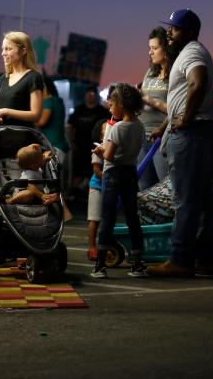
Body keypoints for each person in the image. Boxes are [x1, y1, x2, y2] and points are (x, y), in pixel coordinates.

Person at [147, 8, 213, 278]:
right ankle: (205, 256)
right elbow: (182, 95)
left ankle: (180, 259)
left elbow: (197, 83)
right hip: (197, 131)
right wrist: (166, 125)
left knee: (185, 198)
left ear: (189, 31)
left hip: (193, 133)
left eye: (174, 28)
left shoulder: (192, 52)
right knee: (199, 198)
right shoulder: (189, 52)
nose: (169, 32)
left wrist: (186, 119)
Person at [91, 83, 148, 279]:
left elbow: (109, 156)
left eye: (112, 103)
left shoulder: (117, 129)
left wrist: (100, 151)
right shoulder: (139, 126)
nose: (109, 106)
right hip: (130, 173)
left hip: (113, 174)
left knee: (108, 217)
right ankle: (138, 263)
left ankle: (100, 265)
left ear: (122, 105)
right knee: (132, 217)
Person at [138, 27, 172, 190]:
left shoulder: (175, 74)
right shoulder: (150, 72)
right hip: (141, 136)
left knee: (164, 187)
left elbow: (176, 109)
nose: (150, 52)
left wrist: (150, 100)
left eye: (155, 48)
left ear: (166, 48)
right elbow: (142, 98)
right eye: (149, 48)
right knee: (144, 186)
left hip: (161, 138)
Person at [0, 31, 43, 128]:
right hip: (0, 136)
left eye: (8, 49)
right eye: (3, 49)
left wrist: (5, 111)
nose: (3, 53)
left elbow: (36, 115)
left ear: (23, 51)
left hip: (22, 139)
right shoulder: (4, 78)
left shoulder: (33, 77)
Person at [66, 87, 111, 194]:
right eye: (88, 93)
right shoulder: (79, 109)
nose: (91, 95)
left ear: (96, 95)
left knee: (93, 171)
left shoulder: (102, 111)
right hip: (79, 147)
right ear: (85, 95)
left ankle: (89, 194)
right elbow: (70, 126)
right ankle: (74, 194)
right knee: (77, 172)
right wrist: (71, 142)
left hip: (96, 147)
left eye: (93, 93)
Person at [86, 118, 110, 261]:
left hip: (108, 187)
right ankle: (92, 247)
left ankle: (104, 246)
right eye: (105, 131)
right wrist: (109, 179)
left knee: (107, 219)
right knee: (94, 219)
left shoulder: (113, 148)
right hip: (97, 187)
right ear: (101, 136)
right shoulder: (98, 149)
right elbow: (97, 171)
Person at [37, 75, 69, 166]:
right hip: (60, 146)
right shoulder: (58, 101)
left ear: (44, 87)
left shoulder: (48, 102)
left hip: (54, 147)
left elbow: (42, 122)